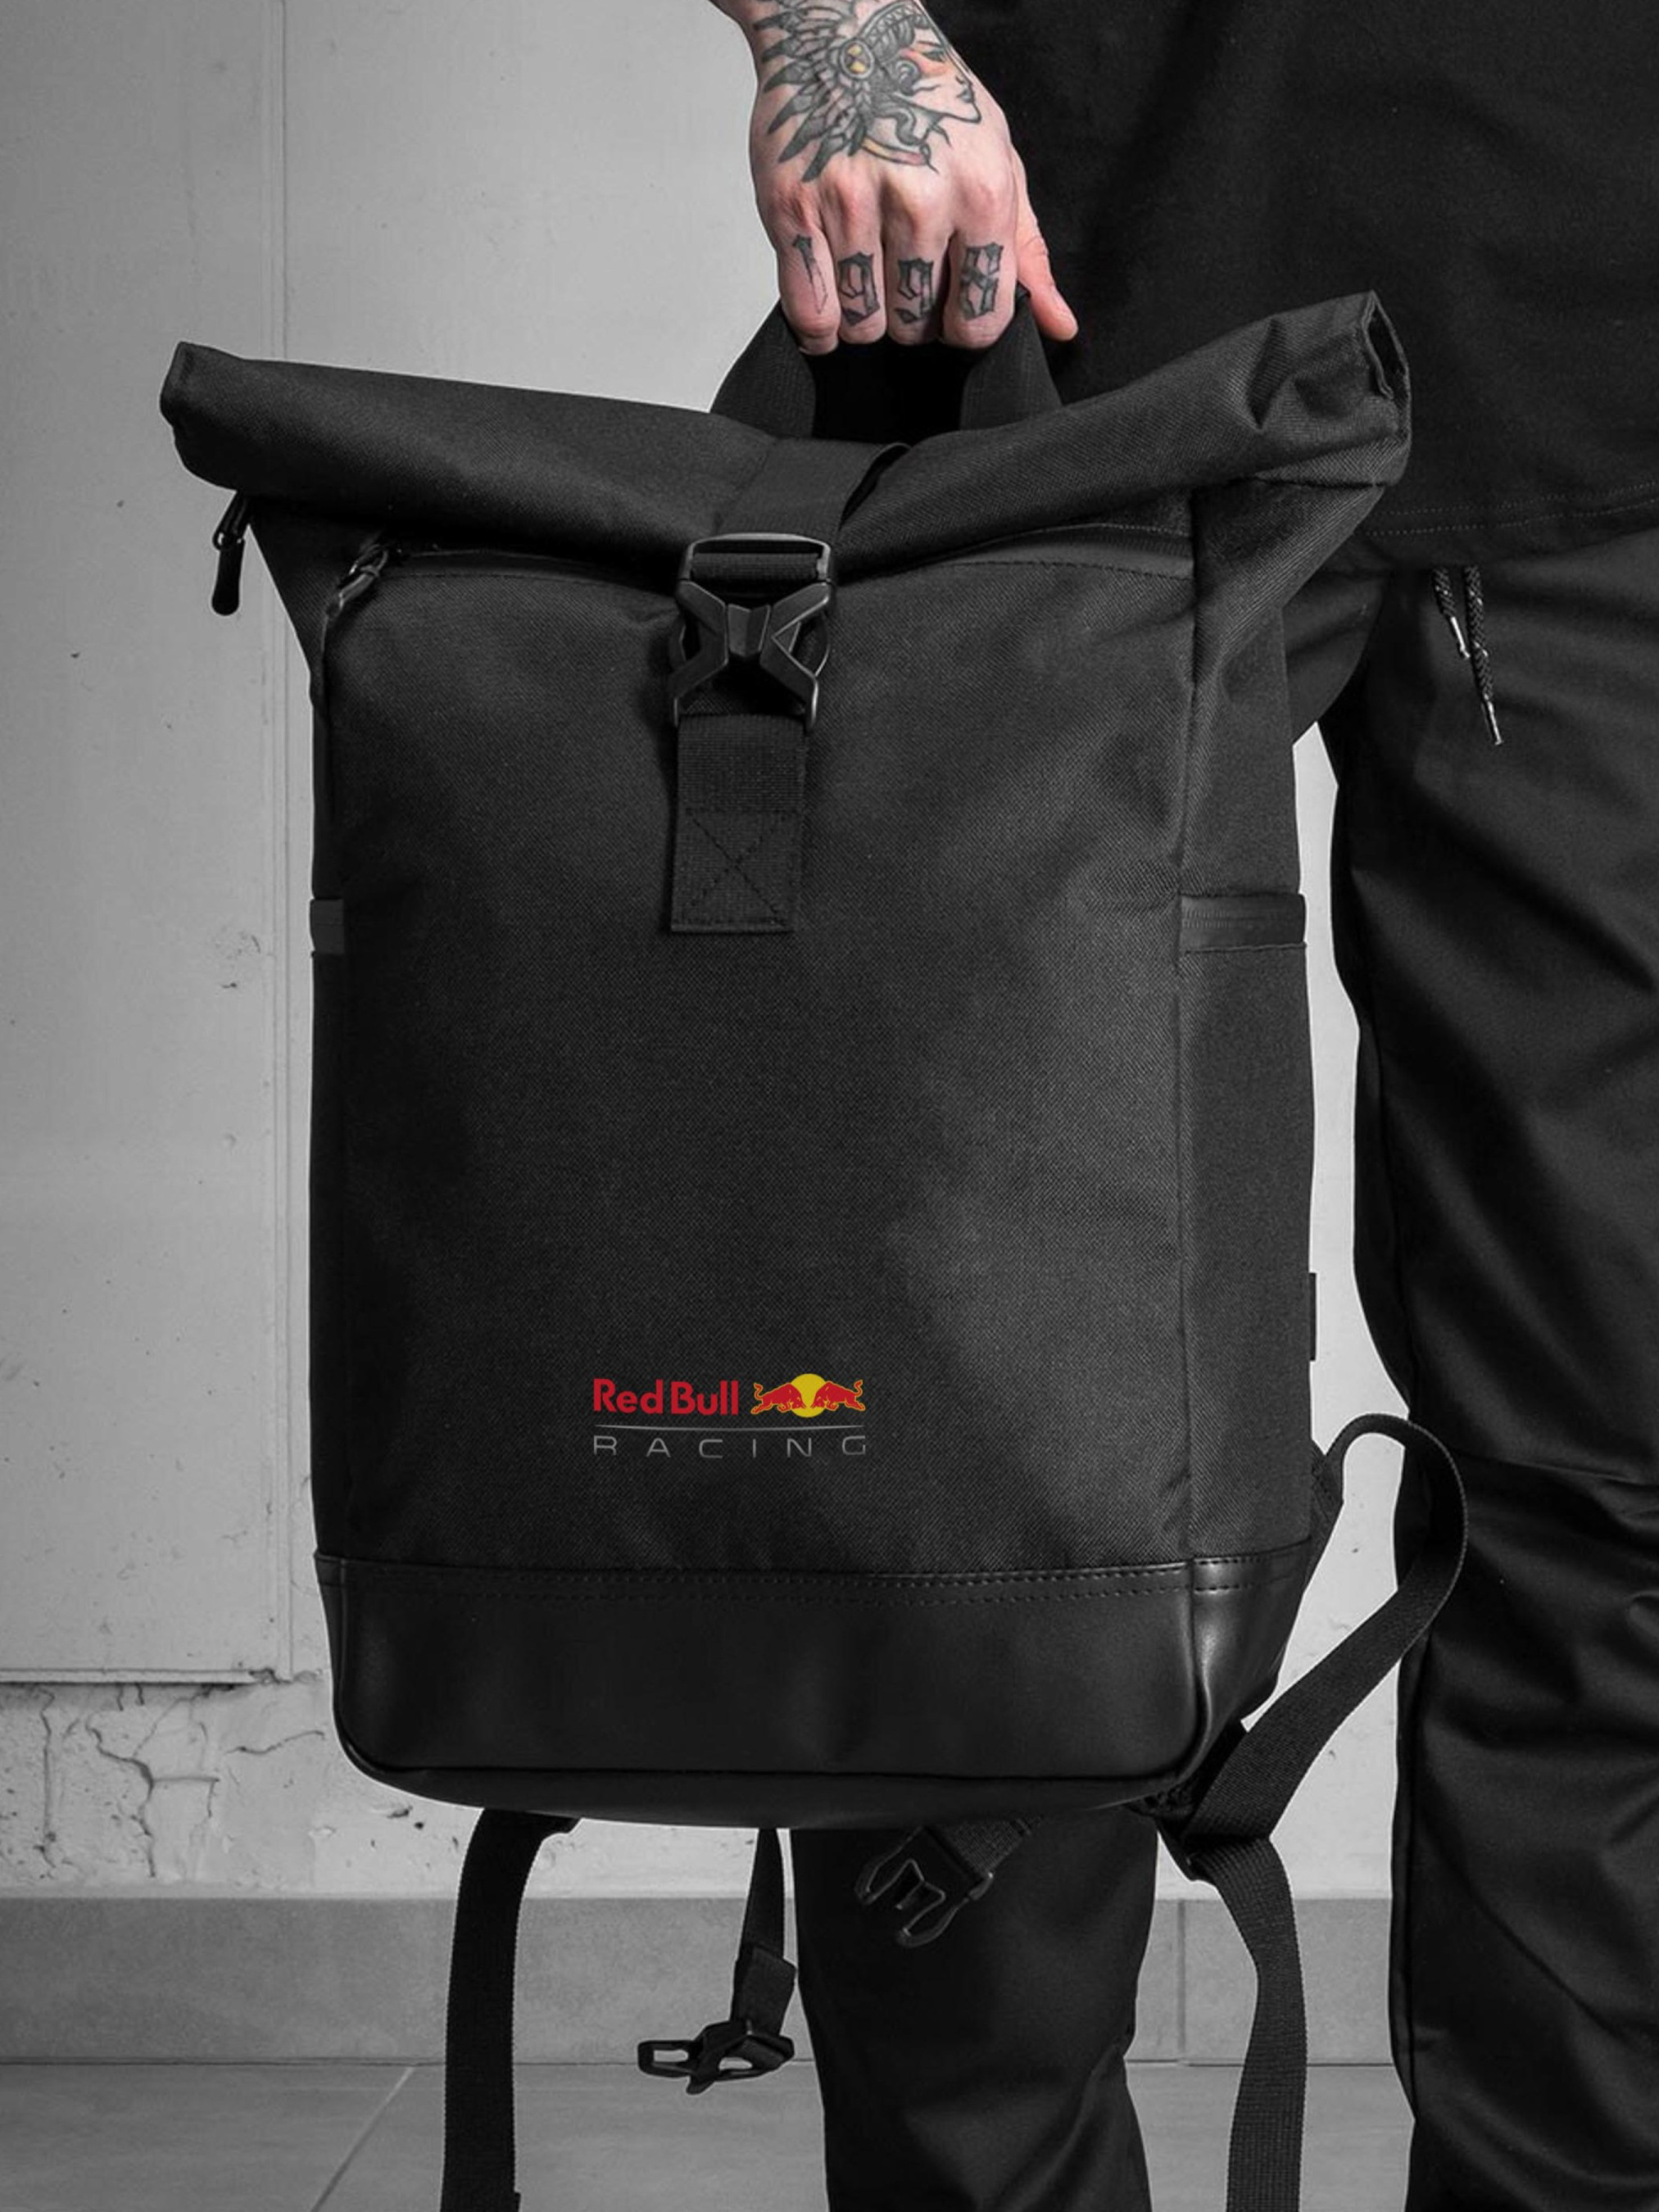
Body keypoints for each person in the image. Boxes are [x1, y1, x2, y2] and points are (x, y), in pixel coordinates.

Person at [705, 3, 1659, 2207]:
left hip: (1617, 388)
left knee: (1627, 1450)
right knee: (955, 1474)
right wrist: (835, 29)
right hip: (1037, 347)